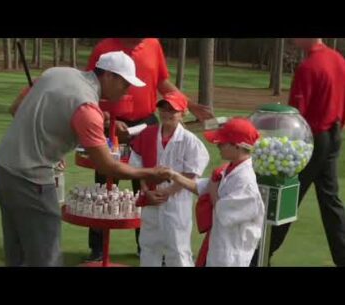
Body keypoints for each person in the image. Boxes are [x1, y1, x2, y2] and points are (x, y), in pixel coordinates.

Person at [0, 51, 171, 267]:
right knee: (46, 257)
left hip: (1, 168)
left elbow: (16, 109)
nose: (127, 90)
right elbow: (107, 166)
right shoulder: (86, 107)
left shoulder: (57, 73)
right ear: (109, 76)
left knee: (18, 254)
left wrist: (54, 141)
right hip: (32, 179)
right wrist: (151, 172)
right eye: (124, 83)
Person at [85, 38, 214, 261]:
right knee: (105, 185)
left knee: (145, 182)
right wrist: (105, 121)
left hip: (146, 121)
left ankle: (144, 245)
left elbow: (163, 82)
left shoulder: (153, 44)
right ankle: (98, 249)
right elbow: (90, 88)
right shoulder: (104, 47)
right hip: (110, 122)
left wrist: (190, 105)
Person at [254, 38, 345, 266]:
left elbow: (295, 117)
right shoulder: (338, 60)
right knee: (330, 201)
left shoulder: (308, 67)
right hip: (334, 135)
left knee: (287, 196)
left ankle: (259, 256)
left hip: (311, 141)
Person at [129, 91, 210, 266]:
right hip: (151, 200)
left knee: (178, 250)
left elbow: (193, 172)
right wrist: (145, 189)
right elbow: (137, 165)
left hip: (177, 202)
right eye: (163, 108)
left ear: (183, 113)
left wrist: (169, 191)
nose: (166, 113)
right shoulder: (147, 134)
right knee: (148, 247)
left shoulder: (191, 141)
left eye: (172, 110)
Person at [169, 118, 265, 266]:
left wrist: (213, 185)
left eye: (222, 142)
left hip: (233, 255)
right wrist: (174, 175)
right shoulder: (231, 169)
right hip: (220, 247)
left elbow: (222, 210)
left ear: (238, 146)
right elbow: (200, 187)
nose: (217, 145)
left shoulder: (246, 182)